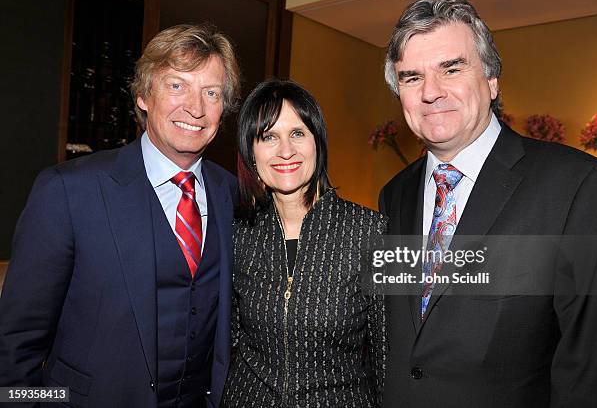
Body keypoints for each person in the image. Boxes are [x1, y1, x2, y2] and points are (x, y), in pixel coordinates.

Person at [379, 0, 597, 408]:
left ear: (491, 81)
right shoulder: (394, 193)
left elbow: (589, 365)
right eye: (411, 77)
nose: (430, 92)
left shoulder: (578, 184)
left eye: (451, 68)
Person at [0, 23, 240, 408]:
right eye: (176, 86)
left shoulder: (233, 193)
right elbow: (15, 347)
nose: (195, 108)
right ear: (144, 95)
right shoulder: (66, 191)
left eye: (211, 93)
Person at [222, 79, 386, 407]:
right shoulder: (236, 233)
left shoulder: (373, 232)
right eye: (268, 136)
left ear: (317, 143)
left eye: (298, 133)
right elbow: (227, 343)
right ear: (250, 153)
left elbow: (388, 360)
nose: (286, 151)